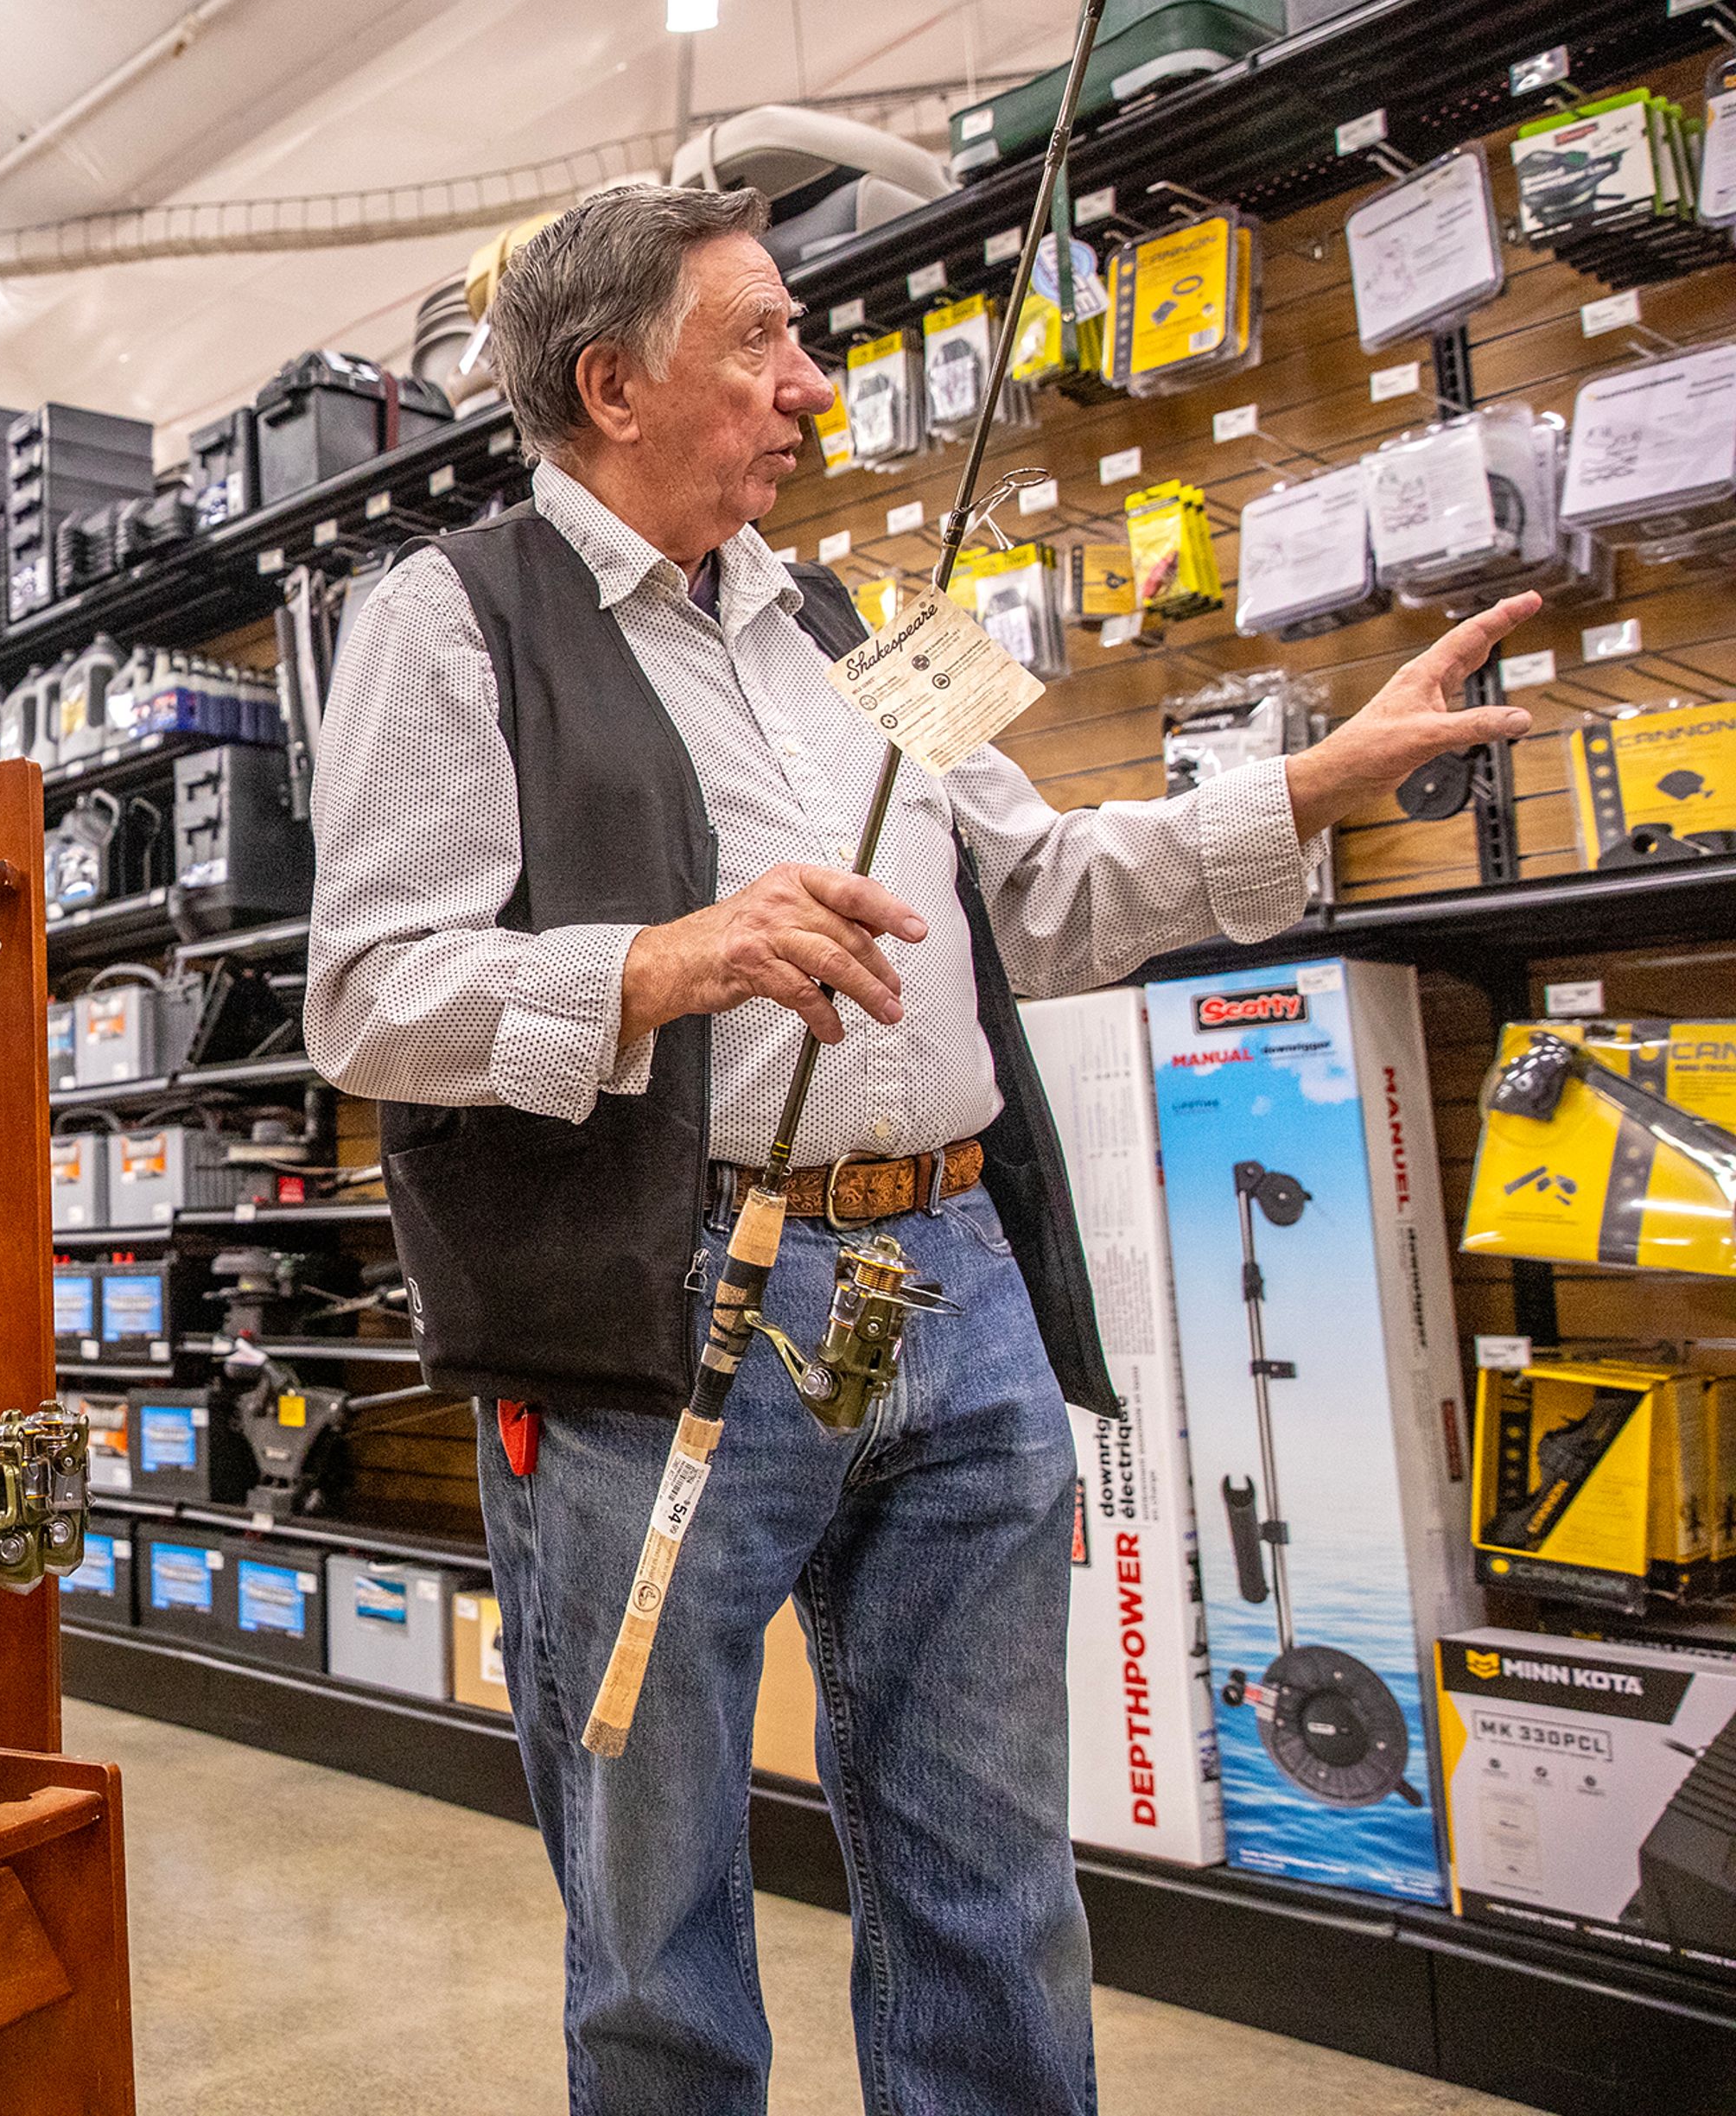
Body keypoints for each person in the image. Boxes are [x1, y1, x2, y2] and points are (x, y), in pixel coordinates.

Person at [301, 182, 1537, 2116]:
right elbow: (371, 998)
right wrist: (665, 962)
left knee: (996, 1887)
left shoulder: (858, 623)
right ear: (612, 386)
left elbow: (1033, 895)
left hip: (953, 1295)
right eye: (760, 343)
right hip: (657, 1327)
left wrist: (1300, 786)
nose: (811, 384)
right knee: (658, 1916)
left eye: (804, 341)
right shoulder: (451, 619)